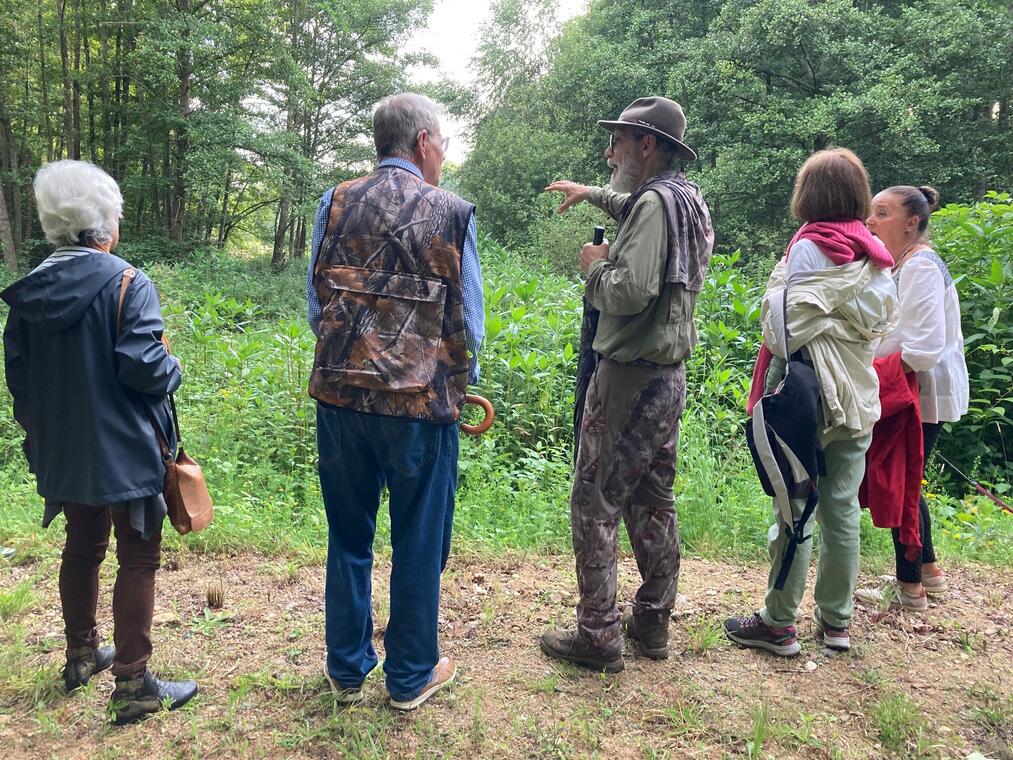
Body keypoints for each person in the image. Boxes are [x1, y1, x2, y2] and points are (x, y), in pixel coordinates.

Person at [1, 160, 197, 723]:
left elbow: (20, 381)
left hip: (63, 449)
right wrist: (173, 364)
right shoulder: (127, 282)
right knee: (138, 555)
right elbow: (144, 370)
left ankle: (82, 655)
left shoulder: (30, 294)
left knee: (81, 546)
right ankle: (134, 684)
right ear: (103, 225)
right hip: (127, 449)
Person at [306, 93, 484, 710]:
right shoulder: (452, 212)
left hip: (340, 402)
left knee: (349, 535)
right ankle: (410, 677)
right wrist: (458, 388)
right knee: (418, 538)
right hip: (419, 411)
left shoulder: (335, 202)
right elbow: (472, 324)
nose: (444, 154)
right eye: (442, 143)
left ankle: (347, 669)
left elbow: (316, 308)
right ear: (423, 141)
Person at [540, 96, 714, 671]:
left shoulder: (655, 208)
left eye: (618, 139)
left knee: (594, 501)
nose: (609, 149)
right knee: (653, 498)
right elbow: (637, 209)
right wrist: (591, 194)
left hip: (627, 381)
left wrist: (594, 265)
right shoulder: (685, 200)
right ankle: (652, 620)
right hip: (667, 380)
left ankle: (598, 635)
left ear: (647, 145)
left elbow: (627, 291)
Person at [725, 148, 898, 655]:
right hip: (857, 394)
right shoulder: (877, 257)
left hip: (804, 395)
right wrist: (834, 325)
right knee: (842, 509)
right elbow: (875, 327)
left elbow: (782, 328)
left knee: (794, 505)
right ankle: (837, 623)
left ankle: (778, 623)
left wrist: (804, 303)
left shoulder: (806, 250)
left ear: (807, 195)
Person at [856, 185, 969, 610]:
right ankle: (927, 571)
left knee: (900, 483)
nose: (871, 221)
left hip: (919, 392)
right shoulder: (903, 265)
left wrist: (871, 372)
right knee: (909, 481)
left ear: (912, 223)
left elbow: (922, 348)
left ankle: (910, 591)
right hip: (915, 391)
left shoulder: (920, 266)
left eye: (882, 213)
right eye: (871, 213)